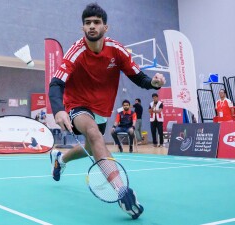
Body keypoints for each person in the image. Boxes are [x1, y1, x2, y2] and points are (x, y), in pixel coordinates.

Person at [48, 3, 165, 219]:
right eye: (87, 23)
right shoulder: (76, 52)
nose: (92, 26)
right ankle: (122, 193)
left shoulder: (117, 50)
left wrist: (154, 84)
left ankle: (60, 159)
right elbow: (56, 83)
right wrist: (58, 110)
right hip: (78, 104)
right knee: (93, 134)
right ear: (83, 28)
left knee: (91, 148)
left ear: (105, 27)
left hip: (102, 108)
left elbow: (138, 76)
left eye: (96, 22)